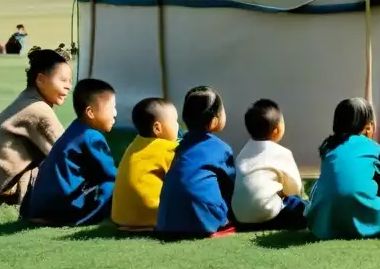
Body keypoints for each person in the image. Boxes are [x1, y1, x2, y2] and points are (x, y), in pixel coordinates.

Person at [0, 46, 71, 209]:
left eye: (70, 81)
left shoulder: (26, 100)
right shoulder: (37, 109)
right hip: (5, 188)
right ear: (40, 79)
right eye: (62, 80)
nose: (68, 86)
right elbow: (67, 152)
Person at [305, 98, 380, 240]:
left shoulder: (329, 147)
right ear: (368, 125)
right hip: (364, 212)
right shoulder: (373, 147)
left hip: (325, 221)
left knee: (317, 186)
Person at [21, 79, 118, 226]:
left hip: (41, 206)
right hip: (63, 207)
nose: (115, 113)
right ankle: (79, 220)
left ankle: (43, 217)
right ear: (90, 112)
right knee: (110, 187)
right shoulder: (92, 137)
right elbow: (111, 174)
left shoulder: (75, 129)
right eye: (112, 108)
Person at [156, 86, 237, 238]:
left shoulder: (181, 147)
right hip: (202, 222)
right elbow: (231, 187)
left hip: (167, 222)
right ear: (214, 121)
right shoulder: (221, 148)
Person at [231, 99, 307, 230]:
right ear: (277, 130)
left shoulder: (242, 153)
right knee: (300, 205)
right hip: (270, 216)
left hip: (241, 219)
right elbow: (294, 188)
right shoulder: (282, 153)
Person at [111, 97, 180, 231]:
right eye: (175, 121)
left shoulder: (133, 146)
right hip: (153, 215)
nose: (177, 125)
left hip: (121, 217)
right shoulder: (168, 148)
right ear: (157, 128)